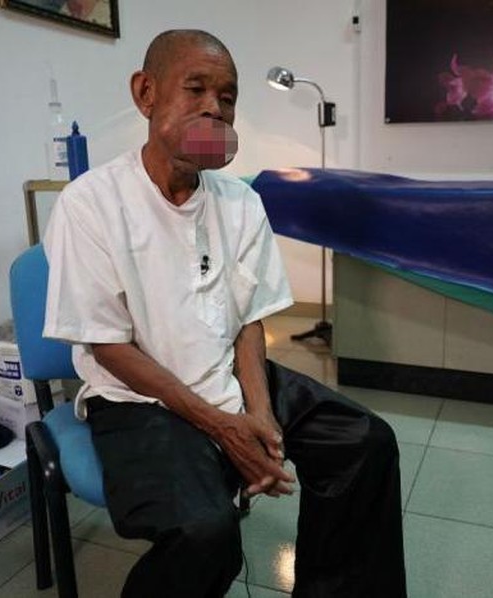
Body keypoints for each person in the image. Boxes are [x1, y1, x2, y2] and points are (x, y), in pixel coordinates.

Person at [42, 29, 407, 598]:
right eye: (196, 89)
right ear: (145, 93)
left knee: (365, 442)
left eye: (228, 97)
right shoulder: (90, 203)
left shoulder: (240, 201)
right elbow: (108, 346)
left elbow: (248, 319)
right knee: (205, 535)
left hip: (229, 371)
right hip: (139, 397)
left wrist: (259, 413)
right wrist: (221, 427)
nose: (215, 107)